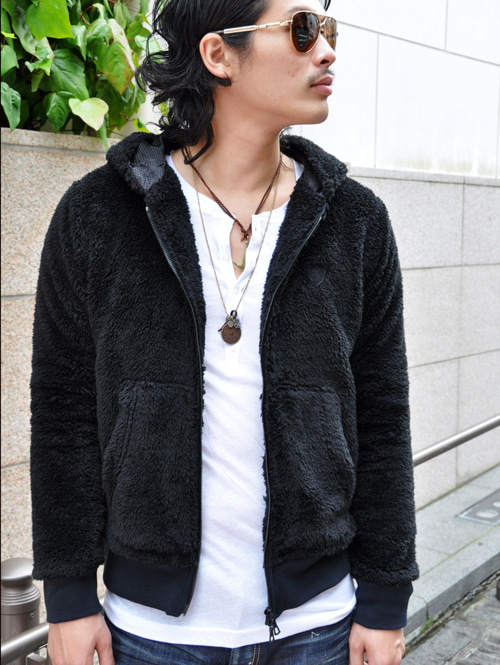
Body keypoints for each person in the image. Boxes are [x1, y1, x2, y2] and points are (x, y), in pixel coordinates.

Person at [30, 0, 419, 663]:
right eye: (301, 30)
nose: (326, 50)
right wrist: (68, 595)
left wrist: (385, 599)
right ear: (218, 55)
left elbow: (383, 416)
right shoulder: (99, 214)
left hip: (317, 627)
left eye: (327, 30)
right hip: (153, 635)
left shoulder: (354, 221)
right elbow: (64, 413)